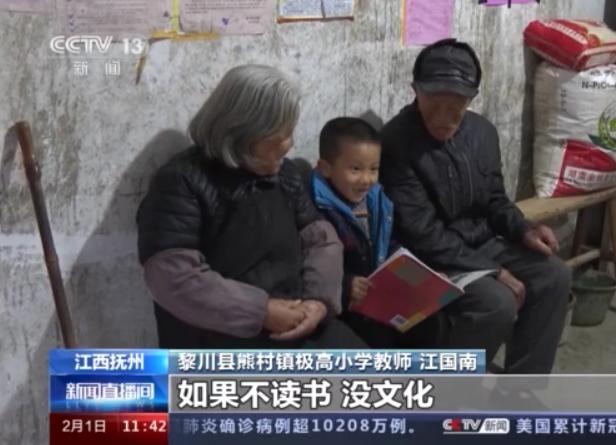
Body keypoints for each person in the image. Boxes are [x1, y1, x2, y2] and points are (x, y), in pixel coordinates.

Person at [136, 65, 365, 349]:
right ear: (243, 131)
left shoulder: (285, 173)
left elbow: (320, 239)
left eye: (290, 132)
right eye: (279, 135)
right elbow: (173, 277)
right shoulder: (181, 182)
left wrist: (318, 302)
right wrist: (262, 312)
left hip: (297, 318)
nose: (288, 145)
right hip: (222, 339)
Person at [379, 39, 571, 373]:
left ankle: (520, 388)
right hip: (427, 259)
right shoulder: (396, 141)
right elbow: (422, 233)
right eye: (433, 100)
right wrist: (494, 271)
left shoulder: (482, 132)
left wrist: (523, 230)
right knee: (497, 303)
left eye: (456, 103)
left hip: (480, 246)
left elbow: (495, 199)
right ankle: (449, 388)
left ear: (471, 98)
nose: (443, 115)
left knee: (554, 274)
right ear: (415, 90)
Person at [309, 117, 401, 347]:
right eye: (356, 169)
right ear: (326, 168)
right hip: (344, 309)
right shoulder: (316, 207)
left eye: (374, 169)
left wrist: (409, 266)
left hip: (376, 299)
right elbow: (310, 264)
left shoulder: (376, 198)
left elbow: (386, 241)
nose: (367, 179)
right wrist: (345, 283)